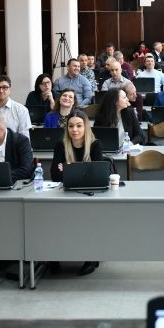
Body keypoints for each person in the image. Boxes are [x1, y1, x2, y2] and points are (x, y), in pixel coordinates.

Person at [50, 109, 104, 276]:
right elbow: (54, 174)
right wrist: (81, 171)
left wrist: (67, 169)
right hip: (66, 193)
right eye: (71, 126)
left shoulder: (95, 145)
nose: (74, 130)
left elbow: (97, 175)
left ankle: (91, 257)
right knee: (54, 219)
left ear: (85, 127)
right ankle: (53, 257)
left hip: (89, 195)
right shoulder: (60, 145)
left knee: (88, 218)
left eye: (79, 126)